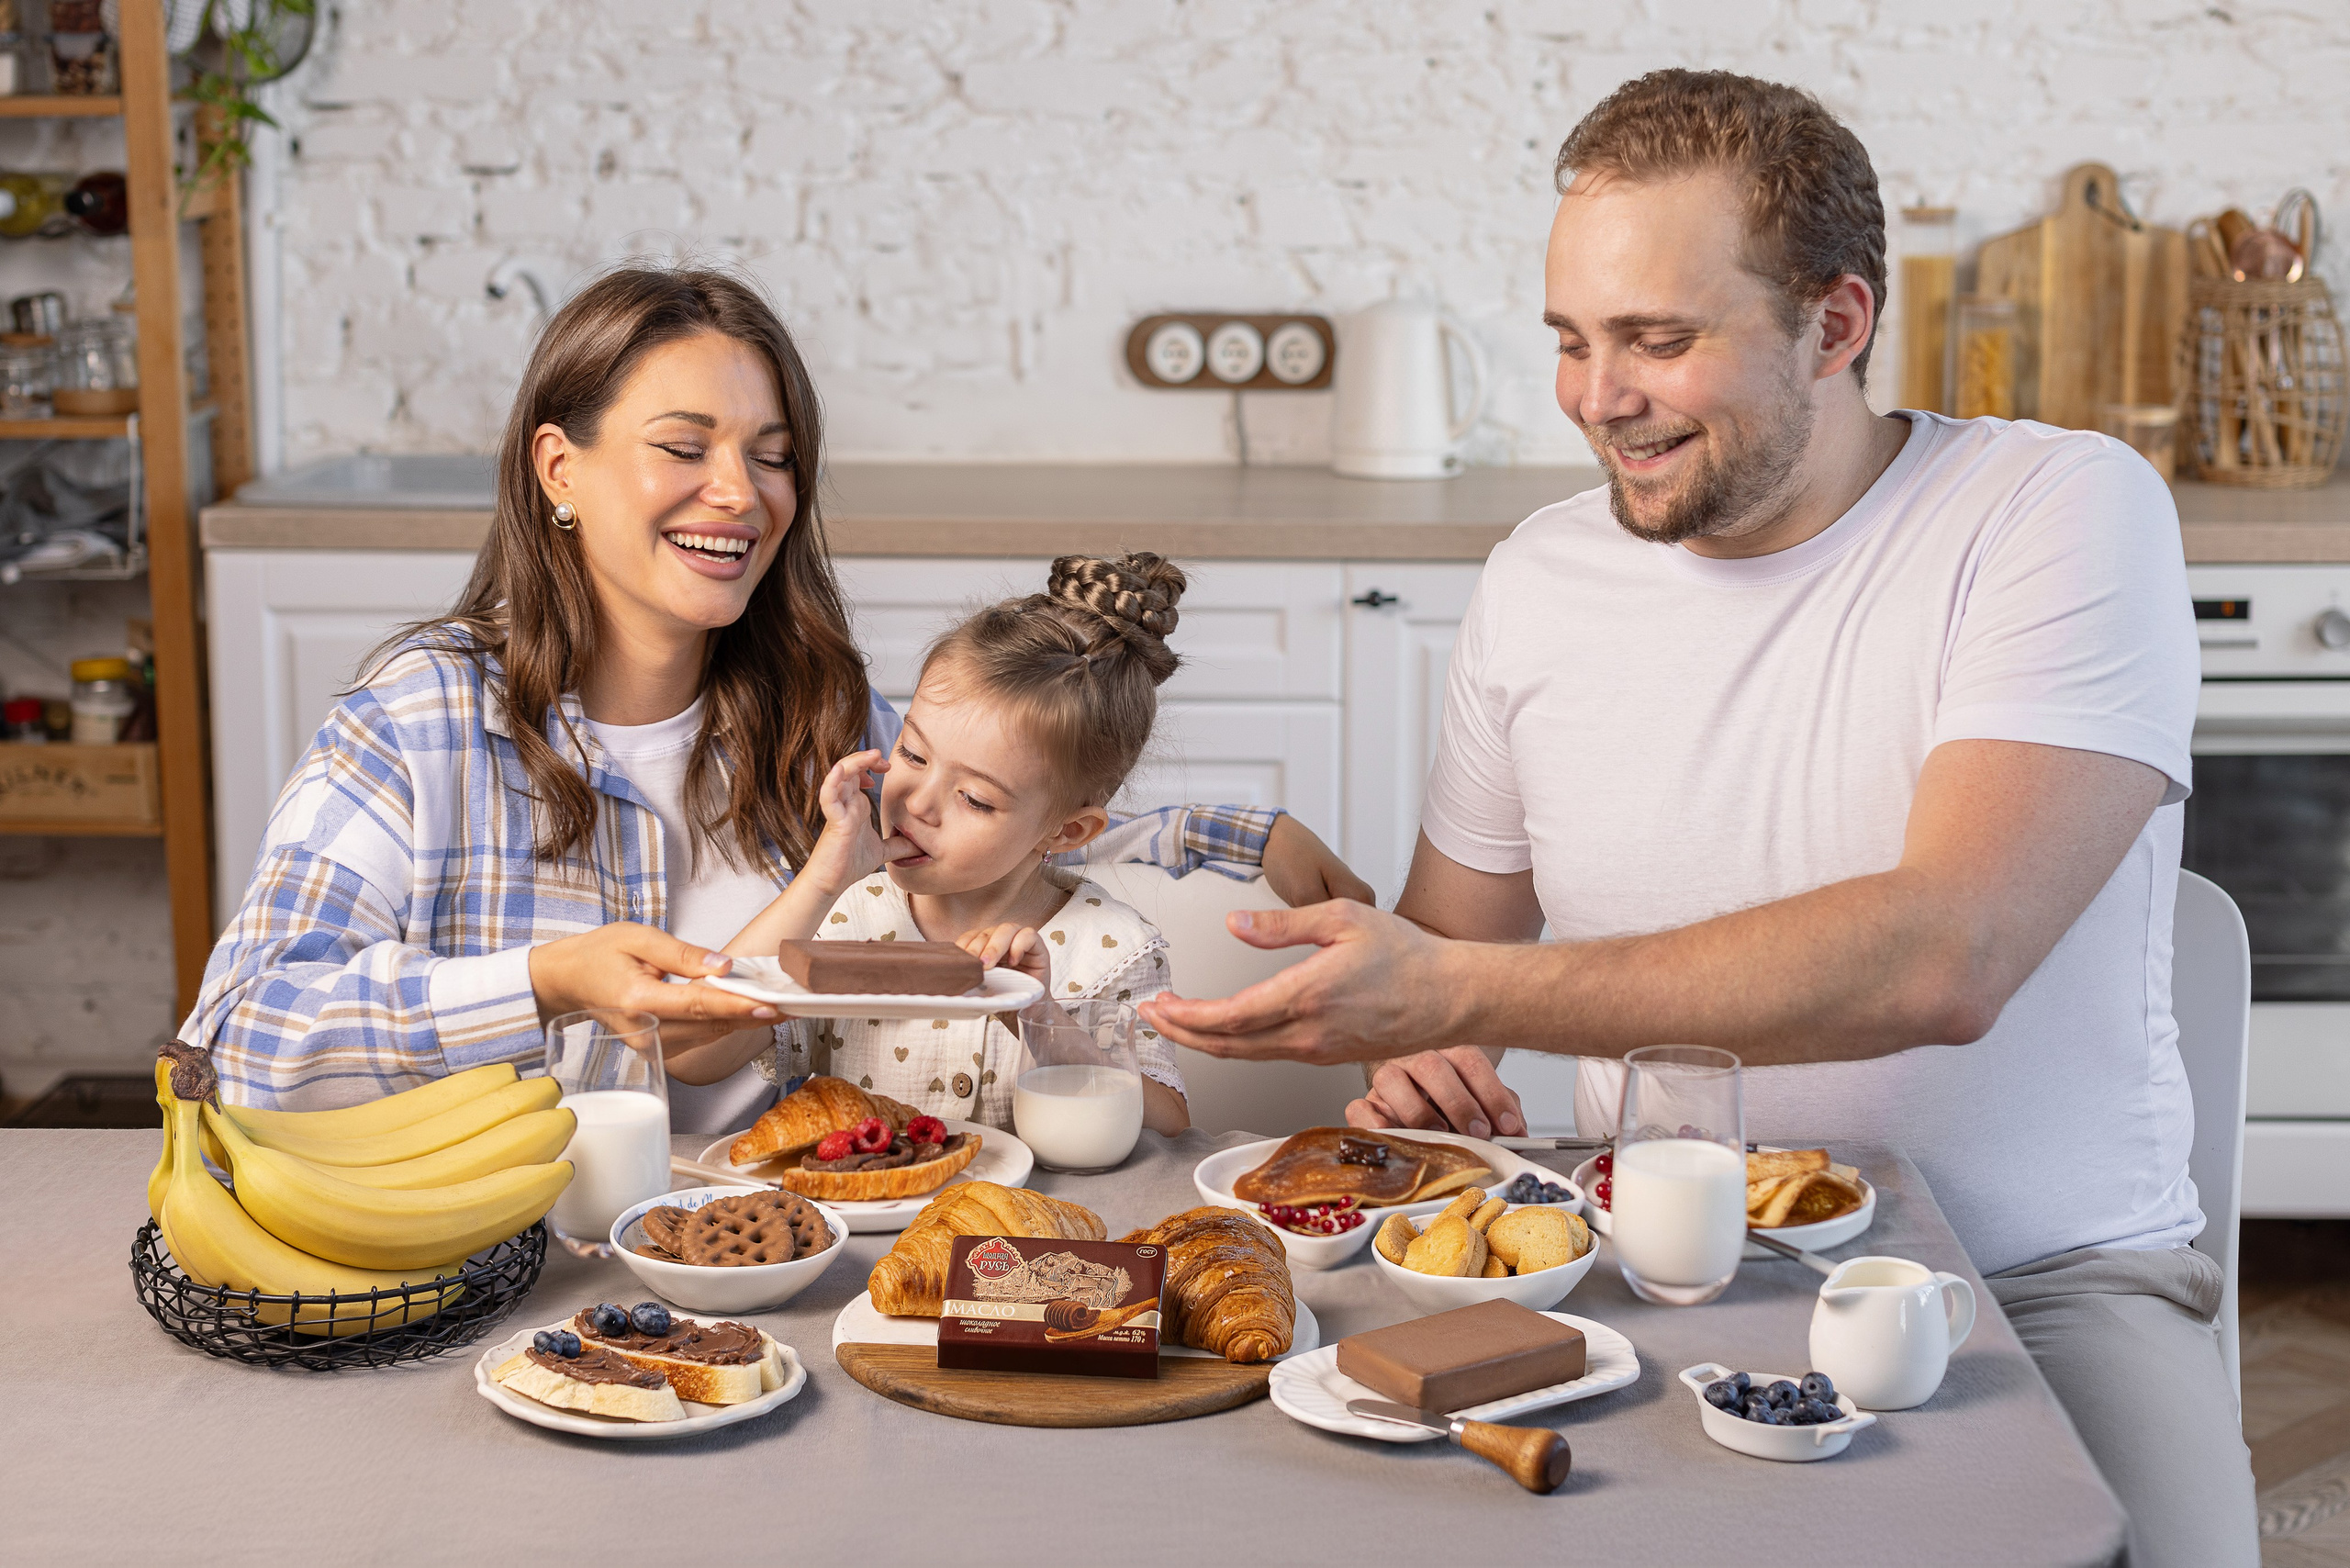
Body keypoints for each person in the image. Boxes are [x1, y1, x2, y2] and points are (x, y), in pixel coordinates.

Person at [1141, 71, 2255, 1567]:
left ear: (1835, 325)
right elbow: (1452, 965)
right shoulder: (1540, 578)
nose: (1597, 396)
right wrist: (1415, 1044)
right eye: (1571, 340)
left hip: (2035, 1283)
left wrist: (1457, 991)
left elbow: (1950, 955)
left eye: (1658, 340)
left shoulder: (2055, 511)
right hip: (1655, 1264)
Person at [185, 266, 1367, 1136]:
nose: (738, 494)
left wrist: (1245, 837)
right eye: (683, 446)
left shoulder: (813, 709)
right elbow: (240, 1034)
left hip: (801, 1247)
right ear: (559, 469)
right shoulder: (424, 719)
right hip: (509, 1265)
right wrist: (544, 980)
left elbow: (991, 807)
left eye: (771, 453)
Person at [722, 553, 1196, 1134]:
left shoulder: (1113, 948)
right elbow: (699, 1054)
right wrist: (822, 881)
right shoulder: (849, 919)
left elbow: (1171, 1126)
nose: (917, 803)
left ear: (1065, 831)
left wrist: (1039, 1015)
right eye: (912, 754)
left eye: (974, 798)